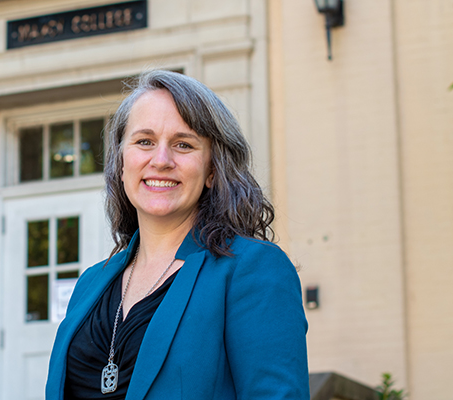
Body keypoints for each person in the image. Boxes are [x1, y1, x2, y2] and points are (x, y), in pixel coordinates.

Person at [45, 70, 309, 400]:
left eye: (183, 144)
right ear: (122, 162)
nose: (161, 160)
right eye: (144, 142)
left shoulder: (253, 270)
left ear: (213, 170)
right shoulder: (89, 284)